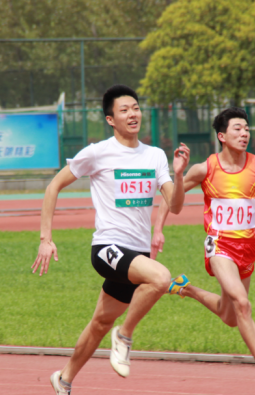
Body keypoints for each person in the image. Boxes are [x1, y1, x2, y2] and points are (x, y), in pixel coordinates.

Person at [32, 84, 190, 395]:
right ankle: (126, 335)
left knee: (99, 324)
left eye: (135, 108)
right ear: (110, 119)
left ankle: (63, 379)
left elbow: (175, 206)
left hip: (136, 254)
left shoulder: (155, 155)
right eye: (124, 110)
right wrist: (45, 238)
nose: (133, 114)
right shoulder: (98, 152)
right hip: (107, 248)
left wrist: (180, 174)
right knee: (161, 277)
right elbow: (53, 187)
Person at [152, 107, 255, 392]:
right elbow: (170, 198)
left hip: (247, 249)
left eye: (247, 129)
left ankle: (186, 288)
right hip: (219, 246)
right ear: (222, 136)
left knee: (231, 316)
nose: (245, 134)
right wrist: (158, 228)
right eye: (238, 129)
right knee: (242, 304)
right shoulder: (206, 168)